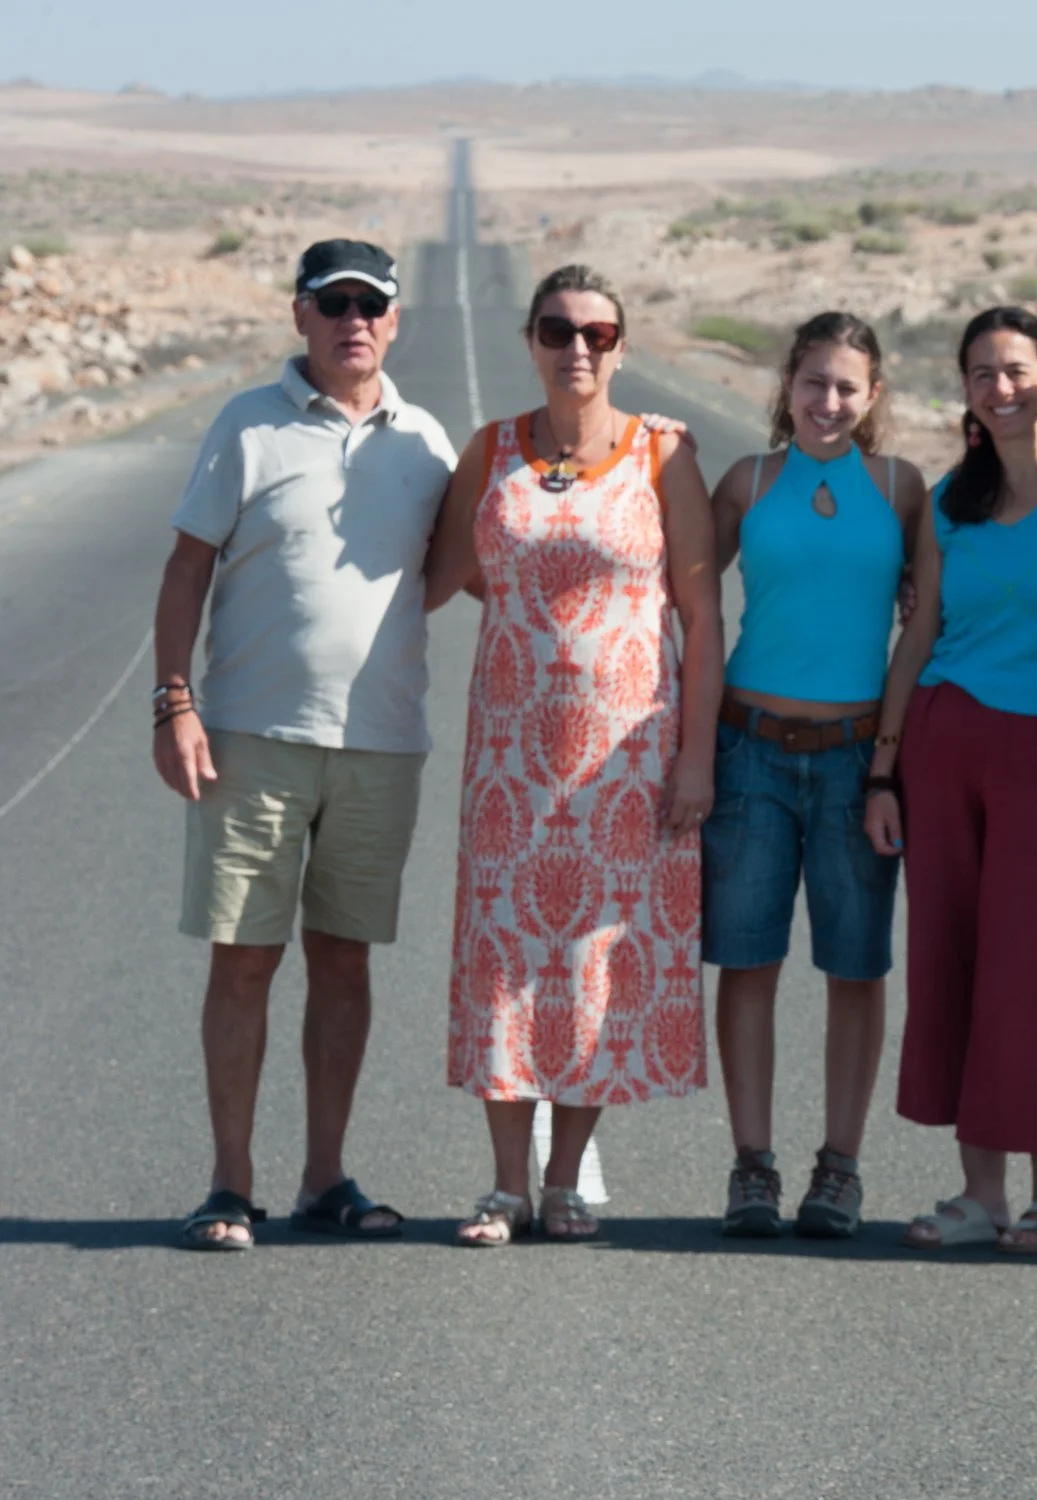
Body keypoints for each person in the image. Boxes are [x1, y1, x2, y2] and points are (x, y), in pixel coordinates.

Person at [153, 239, 457, 1250]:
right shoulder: (247, 424)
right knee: (244, 960)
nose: (353, 321)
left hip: (381, 743)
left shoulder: (427, 442)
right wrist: (174, 703)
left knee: (344, 961)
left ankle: (325, 1175)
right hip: (254, 736)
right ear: (301, 316)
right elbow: (186, 567)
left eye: (371, 304)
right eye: (334, 303)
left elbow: (487, 553)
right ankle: (228, 1182)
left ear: (396, 321)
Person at [424, 264, 724, 1245]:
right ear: (532, 340)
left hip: (627, 758)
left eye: (597, 331)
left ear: (622, 345)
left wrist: (694, 757)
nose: (577, 348)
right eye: (558, 330)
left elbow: (701, 610)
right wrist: (536, 619)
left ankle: (562, 1182)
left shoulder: (660, 454)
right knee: (505, 955)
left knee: (594, 960)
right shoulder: (493, 449)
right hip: (511, 759)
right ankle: (507, 1184)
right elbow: (444, 573)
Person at [864, 307, 1037, 1253]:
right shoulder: (950, 502)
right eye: (981, 374)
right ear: (964, 390)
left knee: (1032, 973)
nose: (1000, 388)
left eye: (1016, 370)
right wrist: (882, 772)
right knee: (953, 962)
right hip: (941, 740)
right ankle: (980, 1196)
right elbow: (915, 634)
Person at [703, 313, 924, 1239]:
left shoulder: (902, 489)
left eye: (846, 388)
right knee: (748, 963)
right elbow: (676, 591)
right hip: (749, 750)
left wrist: (888, 767)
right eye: (812, 383)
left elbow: (923, 628)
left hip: (854, 761)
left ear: (871, 397)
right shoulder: (747, 482)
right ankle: (752, 1165)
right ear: (786, 385)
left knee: (855, 967)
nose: (826, 403)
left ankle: (840, 1168)